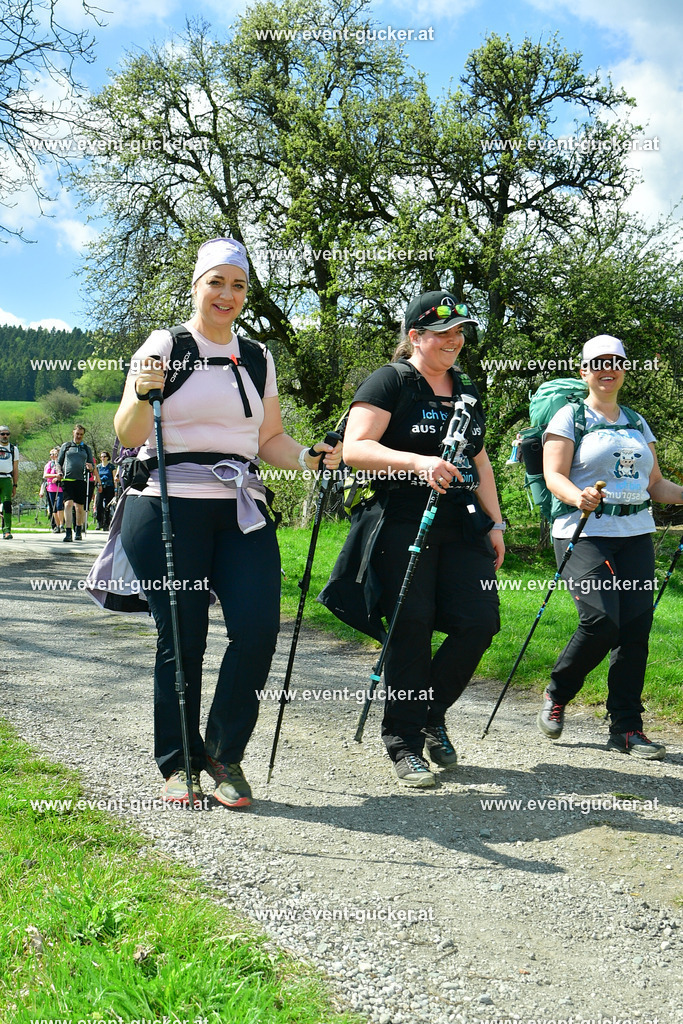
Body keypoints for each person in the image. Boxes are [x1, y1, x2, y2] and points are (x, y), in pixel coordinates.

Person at [114, 236, 341, 809]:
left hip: (239, 504)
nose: (227, 294)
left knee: (259, 629)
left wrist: (308, 458)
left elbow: (268, 440)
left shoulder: (258, 355)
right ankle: (179, 761)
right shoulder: (165, 343)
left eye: (238, 284)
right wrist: (144, 392)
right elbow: (128, 434)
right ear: (196, 285)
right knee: (183, 637)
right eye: (216, 281)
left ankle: (223, 752)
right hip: (166, 504)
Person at [319, 291, 505, 788]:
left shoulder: (466, 387)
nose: (454, 340)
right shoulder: (390, 380)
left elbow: (480, 460)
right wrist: (418, 463)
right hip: (401, 518)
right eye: (442, 333)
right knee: (412, 625)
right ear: (415, 337)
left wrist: (497, 521)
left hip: (462, 524)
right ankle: (402, 741)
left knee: (480, 622)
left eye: (459, 332)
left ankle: (428, 713)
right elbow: (355, 449)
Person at [539, 334, 683, 760]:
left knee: (635, 629)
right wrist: (575, 496)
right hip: (581, 532)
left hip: (635, 534)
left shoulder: (637, 422)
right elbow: (554, 474)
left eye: (615, 362)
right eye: (598, 363)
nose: (608, 369)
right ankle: (558, 691)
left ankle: (626, 728)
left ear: (624, 369)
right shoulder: (569, 417)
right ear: (584, 370)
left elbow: (655, 485)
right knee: (602, 621)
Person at [57, 425, 101, 542]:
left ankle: (78, 530)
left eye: (81, 434)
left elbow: (92, 465)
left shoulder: (86, 449)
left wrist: (90, 468)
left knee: (79, 507)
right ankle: (67, 532)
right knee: (68, 504)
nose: (79, 436)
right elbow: (59, 463)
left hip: (82, 480)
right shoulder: (66, 446)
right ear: (73, 433)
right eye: (77, 434)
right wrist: (59, 472)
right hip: (67, 479)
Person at [0, 425, 19, 540]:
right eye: (2, 434)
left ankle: (7, 530)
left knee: (7, 505)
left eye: (7, 434)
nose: (5, 436)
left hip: (7, 479)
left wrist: (15, 485)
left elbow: (16, 468)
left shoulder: (13, 449)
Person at [43, 447, 64, 532]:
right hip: (51, 488)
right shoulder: (49, 464)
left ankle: (62, 525)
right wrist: (56, 476)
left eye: (55, 454)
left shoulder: (62, 464)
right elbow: (45, 475)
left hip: (60, 488)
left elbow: (64, 474)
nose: (54, 456)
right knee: (53, 507)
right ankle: (57, 525)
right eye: (52, 454)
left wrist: (59, 478)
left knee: (59, 506)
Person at [95, 451, 116, 529]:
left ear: (107, 457)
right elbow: (96, 477)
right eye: (101, 457)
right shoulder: (98, 467)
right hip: (100, 487)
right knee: (98, 504)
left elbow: (114, 478)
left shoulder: (111, 467)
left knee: (108, 505)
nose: (103, 458)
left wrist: (116, 489)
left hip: (109, 487)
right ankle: (99, 521)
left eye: (104, 456)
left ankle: (107, 523)